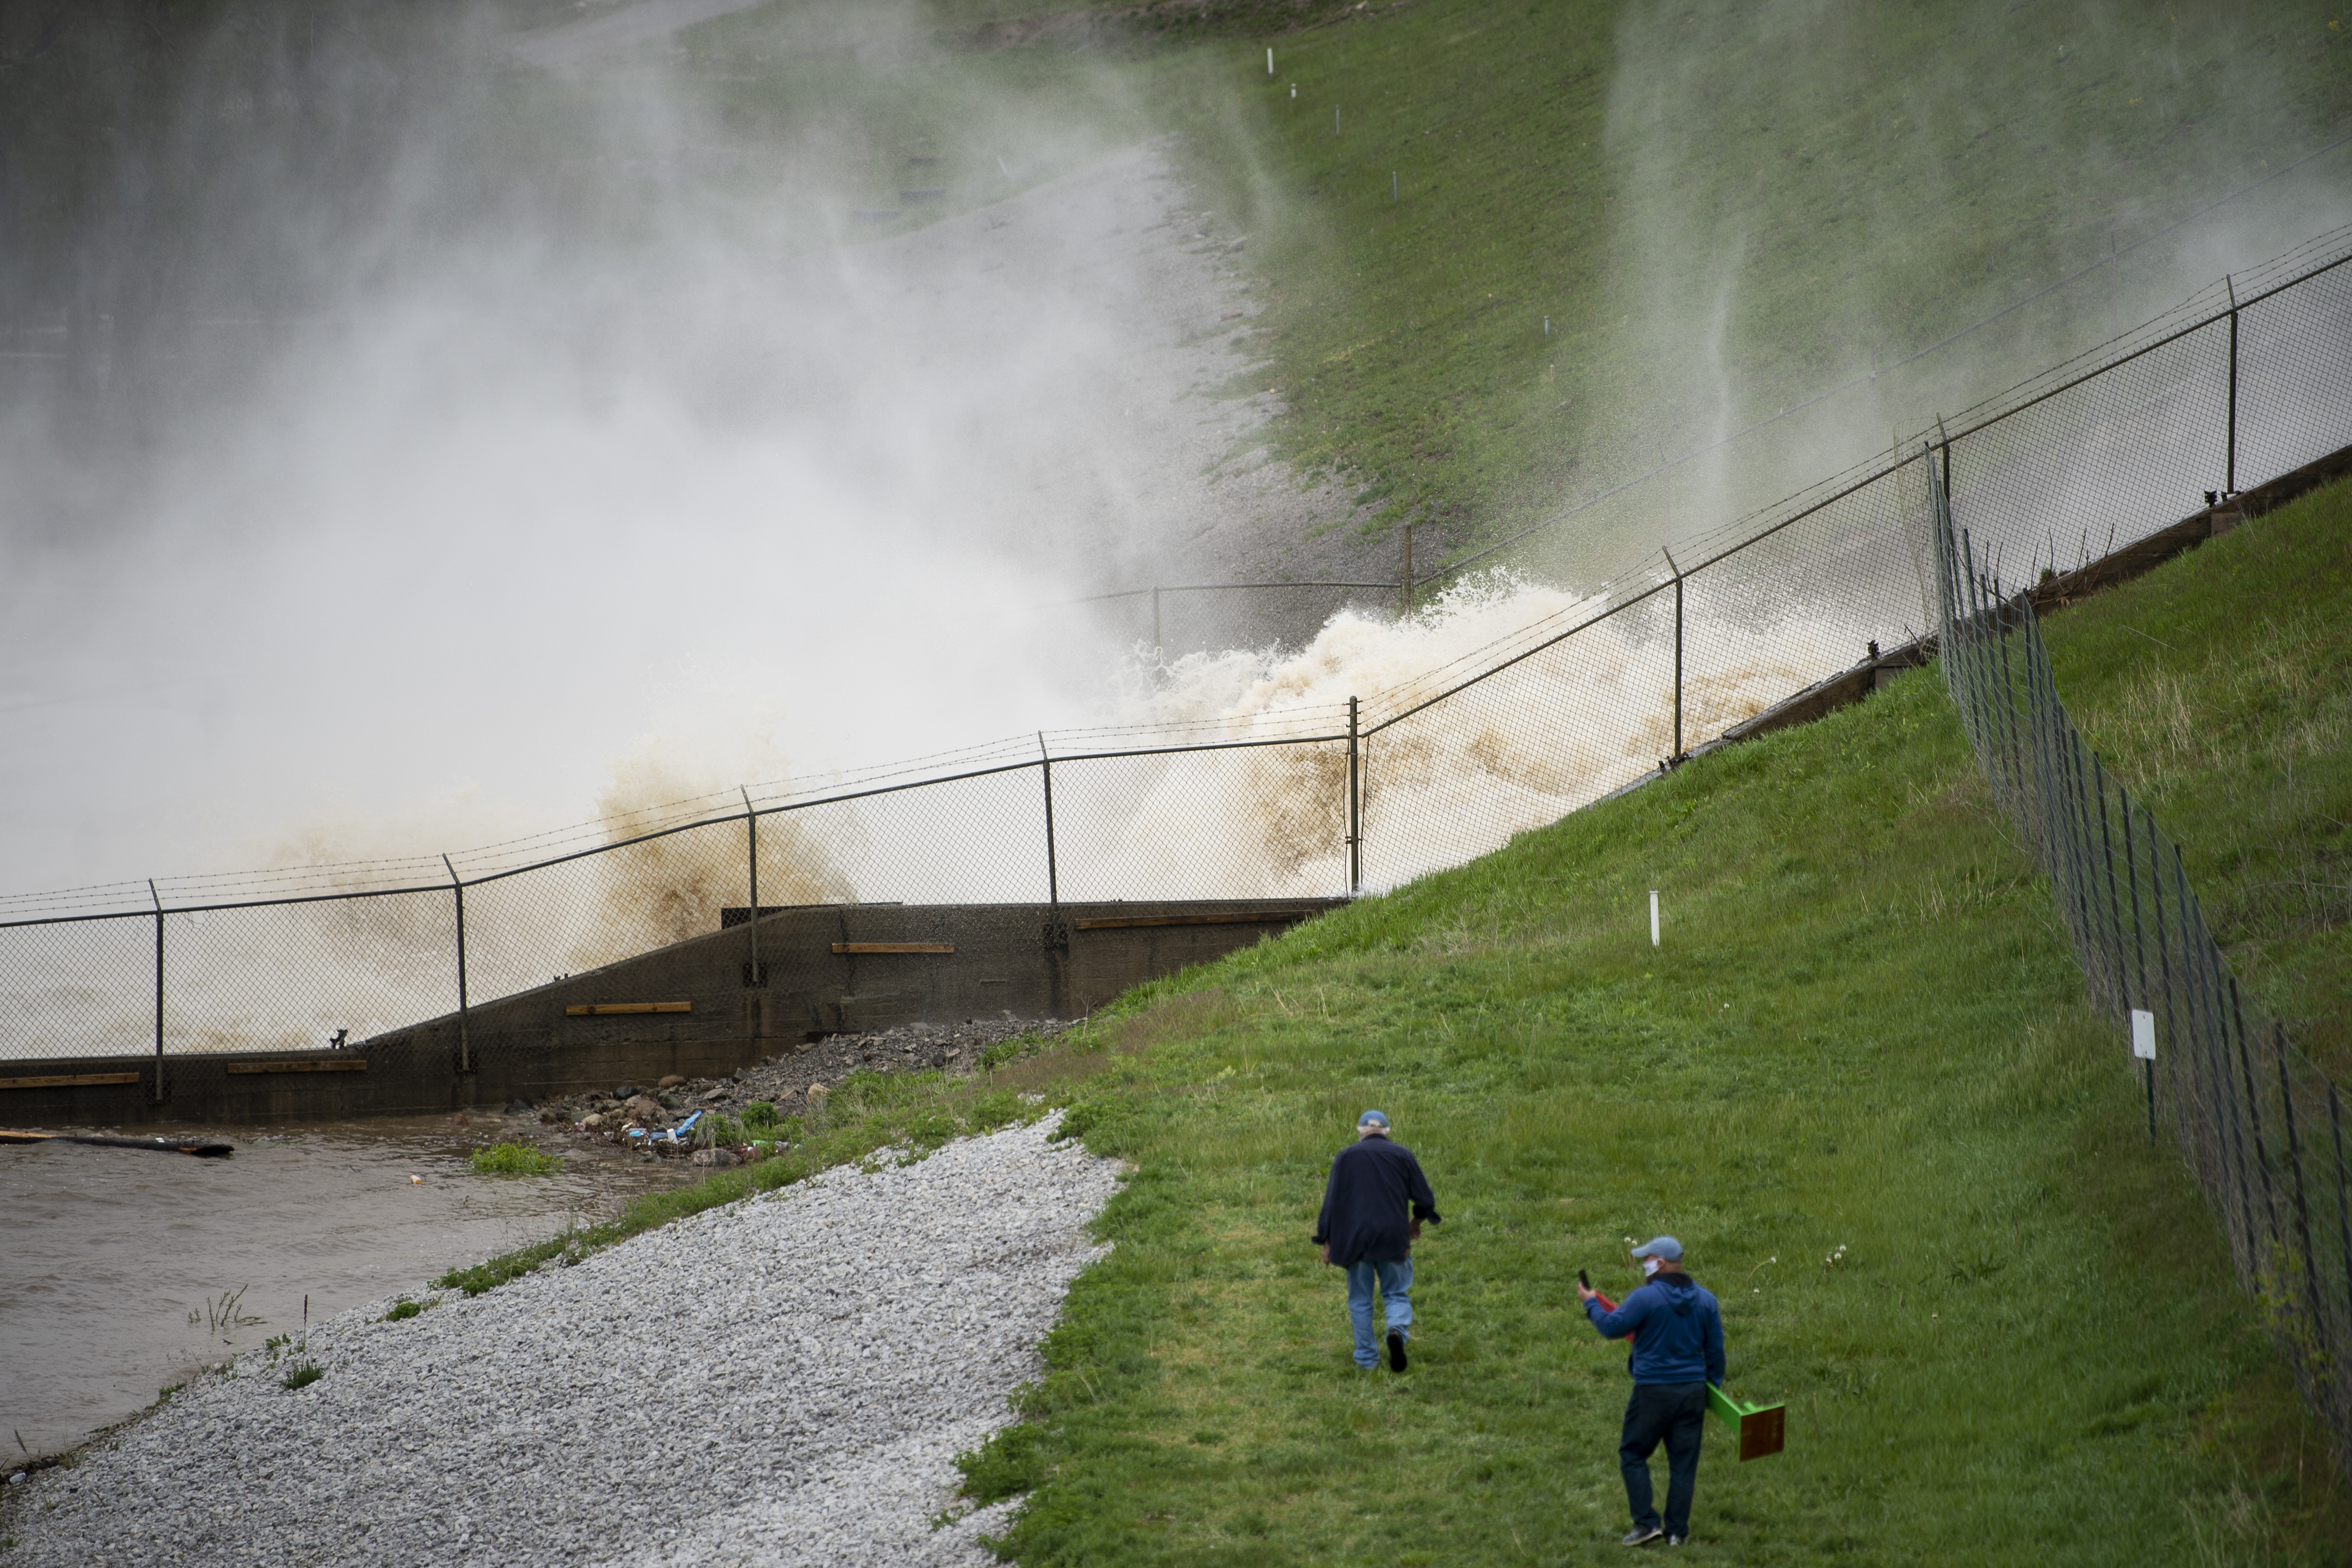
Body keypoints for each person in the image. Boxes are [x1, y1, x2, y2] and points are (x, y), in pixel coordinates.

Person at [1576, 1236, 1724, 1547]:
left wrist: (1590, 1302)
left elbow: (1611, 1327)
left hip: (1653, 1392)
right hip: (1693, 1393)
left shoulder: (1645, 1299)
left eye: (1647, 1258)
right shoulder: (1707, 1301)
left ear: (1661, 1263)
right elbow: (1715, 1354)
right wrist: (1711, 1390)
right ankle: (1677, 1534)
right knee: (1683, 1466)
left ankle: (1646, 1524)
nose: (1643, 1264)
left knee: (1633, 1454)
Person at [1312, 1109, 1440, 1371]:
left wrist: (1326, 1240)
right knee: (1396, 1293)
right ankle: (1396, 1332)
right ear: (1387, 1131)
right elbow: (1425, 1200)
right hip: (1393, 1238)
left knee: (1360, 1299)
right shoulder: (1403, 1155)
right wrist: (1415, 1223)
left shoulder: (1346, 1156)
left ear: (1359, 1131)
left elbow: (1331, 1203)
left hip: (1354, 1239)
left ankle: (1367, 1360)